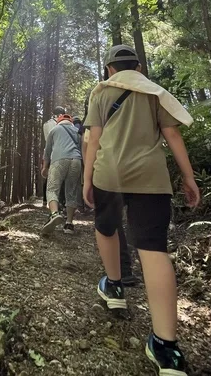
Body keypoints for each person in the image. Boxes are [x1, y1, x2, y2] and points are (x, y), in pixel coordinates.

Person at [83, 44, 200, 376]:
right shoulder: (154, 93)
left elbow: (94, 138)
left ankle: (115, 286)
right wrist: (188, 178)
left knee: (106, 226)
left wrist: (87, 179)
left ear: (109, 69)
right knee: (153, 249)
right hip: (151, 177)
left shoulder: (101, 93)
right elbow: (173, 134)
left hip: (110, 174)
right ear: (138, 66)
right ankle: (166, 348)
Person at [81, 106, 138, 287]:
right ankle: (134, 266)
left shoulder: (94, 119)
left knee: (112, 223)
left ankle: (122, 271)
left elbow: (89, 145)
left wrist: (88, 177)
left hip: (108, 173)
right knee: (136, 219)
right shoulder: (130, 111)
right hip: (138, 167)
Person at [41, 113, 82, 235]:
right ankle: (69, 224)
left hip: (59, 160)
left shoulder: (54, 129)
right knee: (72, 191)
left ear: (59, 121)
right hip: (76, 161)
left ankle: (54, 214)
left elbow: (47, 151)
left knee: (52, 188)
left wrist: (45, 167)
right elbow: (82, 148)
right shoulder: (77, 131)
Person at [42, 106, 67, 209]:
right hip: (60, 152)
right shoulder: (61, 124)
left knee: (49, 176)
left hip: (49, 152)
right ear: (61, 114)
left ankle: (46, 200)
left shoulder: (46, 124)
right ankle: (60, 202)